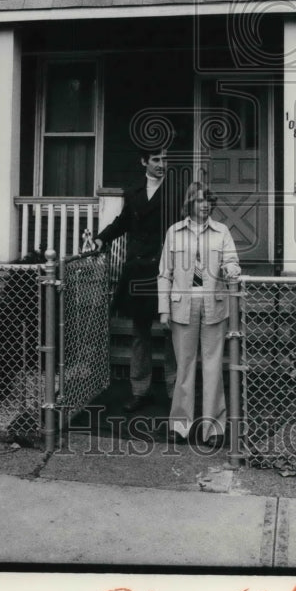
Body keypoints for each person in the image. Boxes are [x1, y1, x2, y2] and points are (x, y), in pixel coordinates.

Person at [157, 182, 241, 448]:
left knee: (214, 366)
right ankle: (180, 426)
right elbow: (164, 273)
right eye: (200, 201)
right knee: (184, 367)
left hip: (213, 304)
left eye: (209, 201)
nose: (205, 205)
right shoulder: (174, 232)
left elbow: (232, 261)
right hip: (183, 305)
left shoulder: (222, 231)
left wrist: (231, 269)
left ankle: (214, 428)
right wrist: (163, 309)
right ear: (190, 203)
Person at [95, 149, 179, 412]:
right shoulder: (133, 192)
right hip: (138, 270)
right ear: (144, 161)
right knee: (140, 333)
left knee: (172, 332)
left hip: (168, 268)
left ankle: (176, 391)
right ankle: (140, 391)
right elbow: (122, 222)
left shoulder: (177, 191)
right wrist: (102, 237)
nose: (161, 165)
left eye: (165, 160)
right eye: (156, 160)